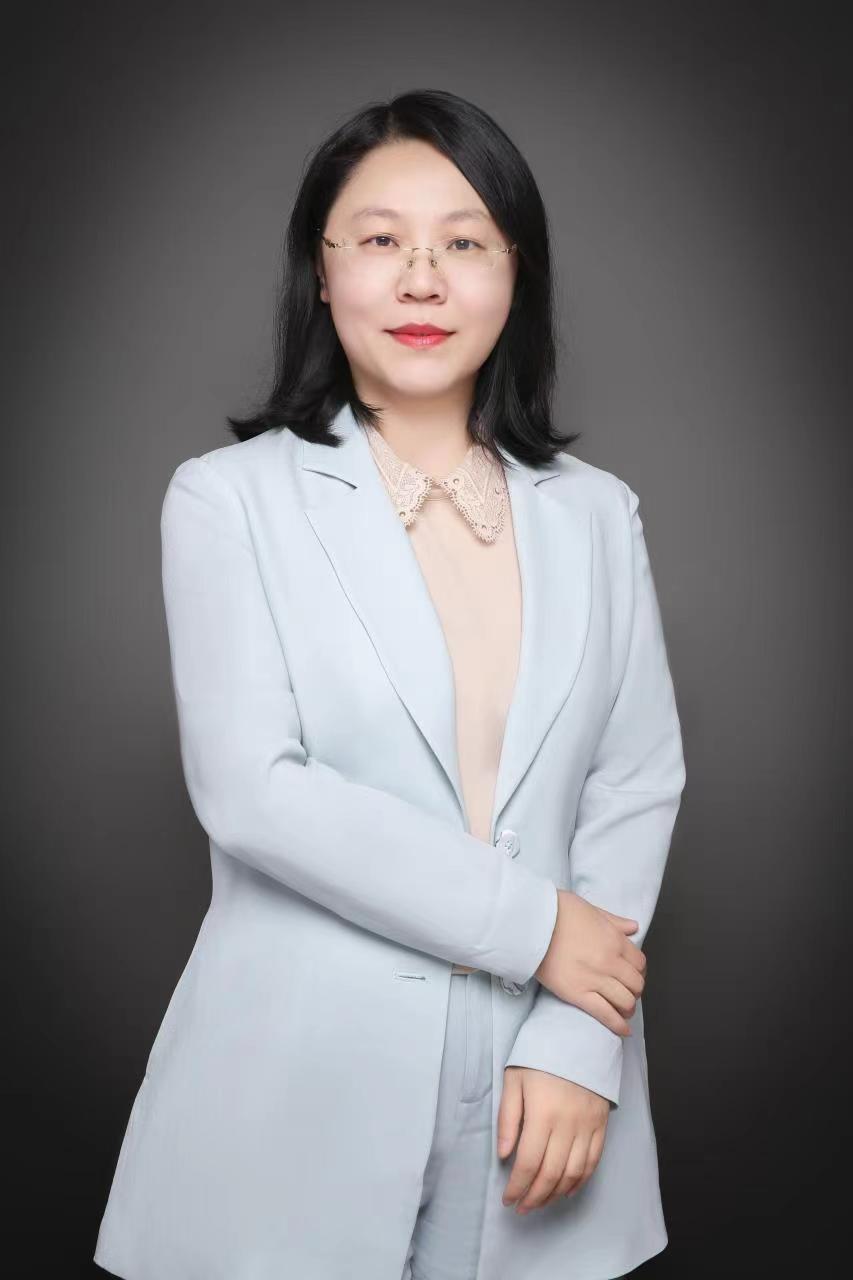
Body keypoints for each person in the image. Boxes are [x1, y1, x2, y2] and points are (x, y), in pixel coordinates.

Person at [93, 88, 686, 1280]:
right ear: (321, 272)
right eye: (379, 239)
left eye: (464, 242)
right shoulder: (226, 499)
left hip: (540, 1103)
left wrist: (578, 1043)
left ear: (516, 274)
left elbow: (635, 781)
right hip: (290, 1098)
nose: (422, 280)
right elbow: (255, 789)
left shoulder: (596, 513)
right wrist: (537, 928)